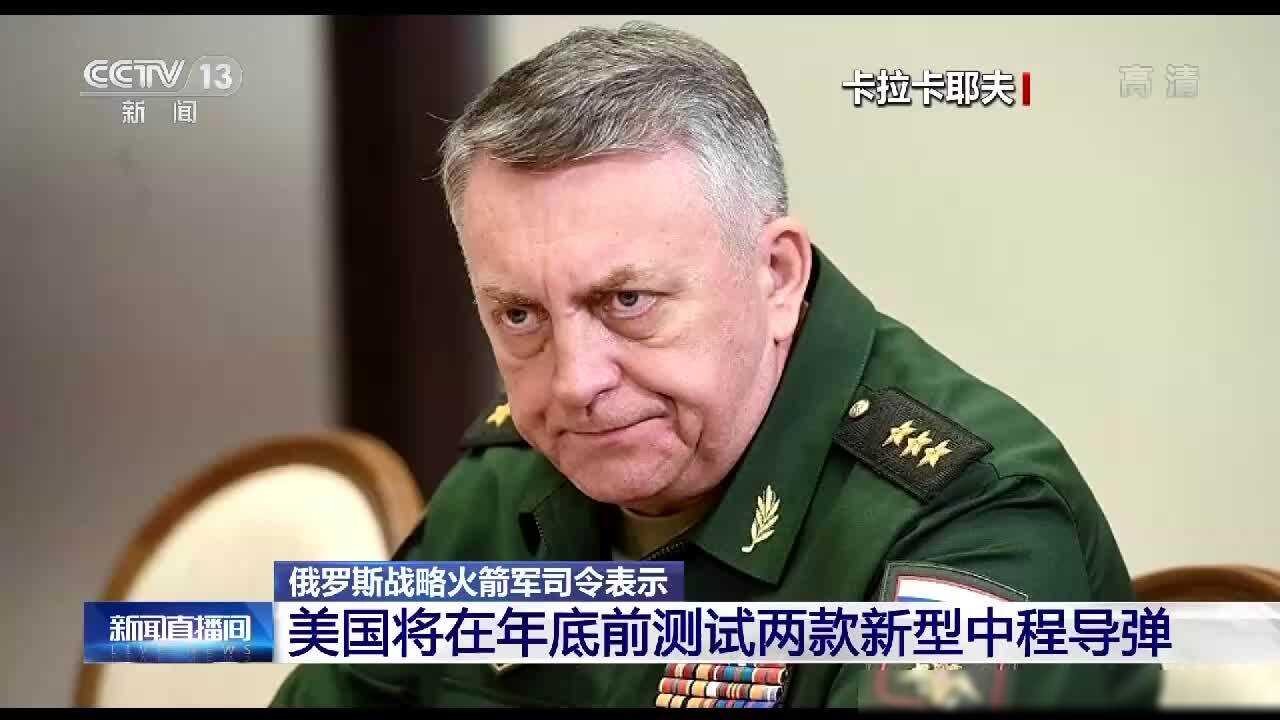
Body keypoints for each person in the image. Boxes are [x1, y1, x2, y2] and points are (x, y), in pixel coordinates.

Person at [271, 21, 1160, 709]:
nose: (575, 382)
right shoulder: (505, 481)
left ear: (776, 276)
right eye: (520, 316)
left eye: (628, 301)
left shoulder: (968, 524)